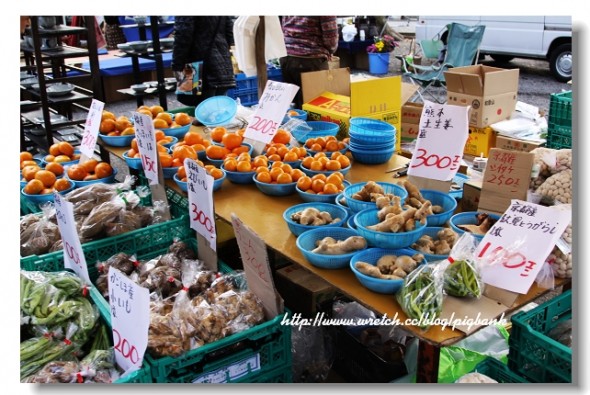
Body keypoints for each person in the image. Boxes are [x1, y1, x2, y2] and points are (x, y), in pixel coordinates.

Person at [171, 16, 236, 108]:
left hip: (197, 65)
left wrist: (177, 65)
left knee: (202, 112)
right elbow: (230, 32)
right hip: (223, 63)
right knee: (219, 112)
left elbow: (183, 35)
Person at [279, 16, 339, 109]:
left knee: (294, 107)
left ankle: (296, 123)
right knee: (315, 106)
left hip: (287, 57)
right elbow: (331, 38)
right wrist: (331, 50)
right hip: (311, 59)